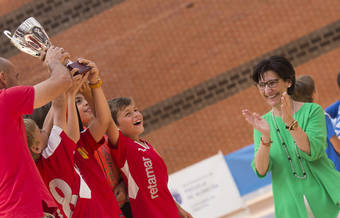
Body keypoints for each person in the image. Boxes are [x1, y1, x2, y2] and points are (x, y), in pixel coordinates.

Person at [242, 56, 340, 218]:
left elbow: (312, 151)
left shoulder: (312, 111)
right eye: (262, 85)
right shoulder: (262, 124)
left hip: (328, 197)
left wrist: (289, 122)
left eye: (272, 83)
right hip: (291, 208)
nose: (267, 91)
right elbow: (260, 170)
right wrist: (265, 138)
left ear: (288, 81)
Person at [24, 59, 123, 218]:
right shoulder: (57, 155)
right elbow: (58, 109)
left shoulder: (37, 169)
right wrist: (57, 71)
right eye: (41, 131)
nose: (45, 130)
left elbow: (102, 121)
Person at [0, 46, 72, 217]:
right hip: (24, 209)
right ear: (2, 77)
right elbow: (63, 81)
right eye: (16, 77)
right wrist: (53, 62)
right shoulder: (6, 100)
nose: (19, 82)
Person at [106, 97, 193, 218]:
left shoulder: (147, 146)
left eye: (136, 110)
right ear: (116, 126)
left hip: (171, 212)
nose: (136, 115)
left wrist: (179, 209)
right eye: (128, 114)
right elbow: (105, 118)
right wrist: (94, 85)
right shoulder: (124, 146)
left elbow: (160, 187)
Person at [76, 86, 132, 218]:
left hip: (128, 201)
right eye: (78, 101)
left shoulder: (109, 134)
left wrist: (124, 184)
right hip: (104, 210)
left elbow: (128, 164)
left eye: (86, 99)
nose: (85, 103)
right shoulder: (75, 142)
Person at [293, 74, 340, 171]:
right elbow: (337, 146)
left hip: (320, 171)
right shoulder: (321, 117)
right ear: (313, 95)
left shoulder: (297, 122)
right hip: (336, 168)